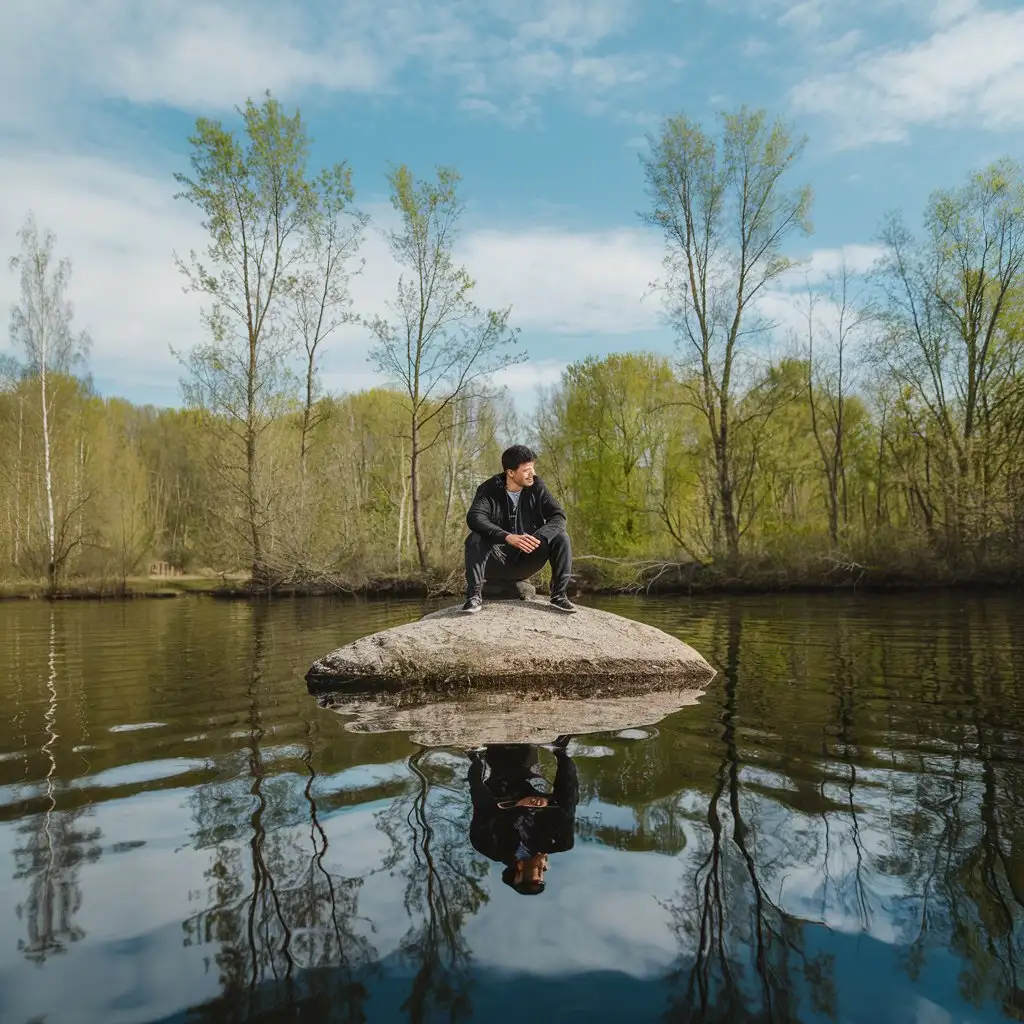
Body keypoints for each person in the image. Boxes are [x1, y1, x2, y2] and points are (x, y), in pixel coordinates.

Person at [463, 444, 575, 614]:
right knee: (475, 538)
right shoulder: (488, 489)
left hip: (526, 559)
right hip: (495, 561)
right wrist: (506, 537)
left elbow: (558, 516)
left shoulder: (536, 486)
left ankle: (559, 596)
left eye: (533, 468)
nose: (533, 474)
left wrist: (539, 537)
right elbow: (475, 518)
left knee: (561, 537)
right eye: (526, 470)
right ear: (510, 472)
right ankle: (474, 597)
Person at [467, 739, 578, 896]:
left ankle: (477, 757)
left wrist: (517, 805)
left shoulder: (489, 847)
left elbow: (481, 805)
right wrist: (546, 803)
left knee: (502, 773)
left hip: (503, 789)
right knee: (569, 801)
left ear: (518, 870)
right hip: (536, 786)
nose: (544, 868)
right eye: (543, 871)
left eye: (538, 870)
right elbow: (568, 804)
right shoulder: (560, 843)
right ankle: (560, 752)